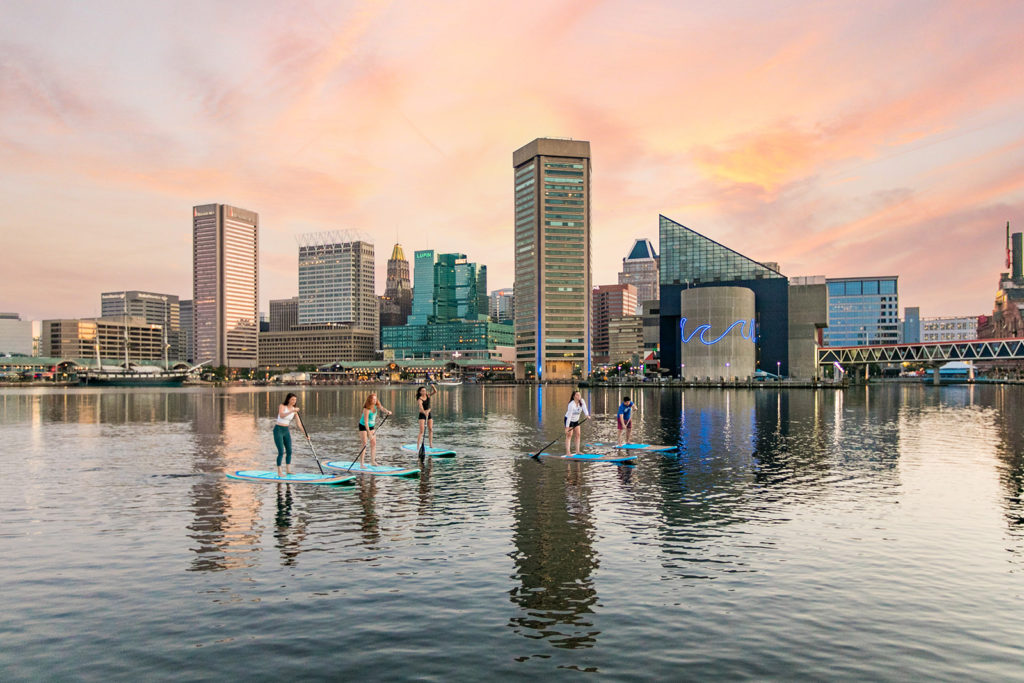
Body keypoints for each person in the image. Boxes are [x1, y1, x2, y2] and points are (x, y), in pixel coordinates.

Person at [358, 392, 393, 467]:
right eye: (373, 399)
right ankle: (361, 464)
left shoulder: (376, 405)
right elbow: (366, 422)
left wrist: (387, 412)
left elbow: (382, 408)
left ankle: (373, 462)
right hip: (363, 426)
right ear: (370, 400)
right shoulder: (366, 409)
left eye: (375, 399)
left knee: (373, 443)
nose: (375, 400)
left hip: (371, 426)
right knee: (364, 443)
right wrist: (369, 434)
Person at [274, 393, 304, 477]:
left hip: (286, 430)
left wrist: (306, 434)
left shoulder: (295, 411)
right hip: (278, 429)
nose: (294, 401)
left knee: (289, 451)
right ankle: (279, 472)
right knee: (281, 451)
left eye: (295, 400)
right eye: (292, 400)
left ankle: (288, 470)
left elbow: (299, 424)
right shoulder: (282, 406)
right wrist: (292, 411)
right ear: (288, 400)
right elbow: (281, 415)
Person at [564, 390, 590, 456]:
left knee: (578, 434)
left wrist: (587, 415)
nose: (579, 396)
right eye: (577, 395)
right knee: (569, 435)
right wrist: (567, 428)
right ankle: (568, 452)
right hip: (569, 420)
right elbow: (569, 416)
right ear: (574, 397)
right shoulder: (571, 405)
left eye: (579, 395)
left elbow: (584, 408)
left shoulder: (582, 401)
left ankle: (577, 451)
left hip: (576, 420)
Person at [416, 383, 438, 454]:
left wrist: (433, 387)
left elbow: (435, 392)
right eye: (422, 391)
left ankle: (431, 444)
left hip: (429, 414)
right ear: (420, 392)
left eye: (425, 391)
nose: (424, 392)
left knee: (430, 429)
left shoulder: (428, 396)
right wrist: (424, 412)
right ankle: (418, 446)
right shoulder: (420, 399)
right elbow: (420, 408)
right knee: (422, 431)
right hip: (422, 415)